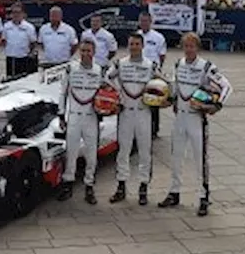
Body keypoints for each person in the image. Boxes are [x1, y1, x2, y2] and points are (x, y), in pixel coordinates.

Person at [161, 32, 232, 216]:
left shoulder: (206, 66)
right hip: (180, 119)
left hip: (196, 119)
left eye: (192, 46)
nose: (188, 49)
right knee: (176, 157)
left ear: (197, 48)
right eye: (186, 46)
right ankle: (174, 192)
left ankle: (203, 197)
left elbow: (226, 86)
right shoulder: (178, 64)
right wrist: (169, 99)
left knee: (200, 159)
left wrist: (217, 105)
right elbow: (175, 89)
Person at [108, 32, 156, 206]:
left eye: (137, 44)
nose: (134, 47)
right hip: (126, 112)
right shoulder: (120, 63)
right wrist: (118, 94)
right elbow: (107, 78)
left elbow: (162, 83)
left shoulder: (151, 65)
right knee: (123, 150)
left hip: (144, 112)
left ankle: (143, 187)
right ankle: (121, 186)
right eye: (131, 44)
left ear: (142, 46)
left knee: (145, 151)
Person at [57, 39, 105, 204]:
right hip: (74, 115)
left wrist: (104, 110)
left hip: (91, 117)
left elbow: (104, 93)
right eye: (83, 51)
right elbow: (62, 93)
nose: (85, 54)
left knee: (92, 154)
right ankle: (68, 183)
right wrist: (61, 114)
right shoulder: (71, 68)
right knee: (71, 152)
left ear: (94, 52)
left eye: (88, 51)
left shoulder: (99, 70)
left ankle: (89, 186)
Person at [137, 11, 167, 137]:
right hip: (138, 72)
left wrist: (157, 70)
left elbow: (162, 55)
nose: (143, 23)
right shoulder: (136, 35)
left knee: (154, 101)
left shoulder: (158, 37)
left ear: (150, 22)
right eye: (141, 21)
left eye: (146, 21)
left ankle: (154, 130)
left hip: (152, 73)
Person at [2, 3, 38, 77]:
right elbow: (4, 41)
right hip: (11, 58)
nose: (16, 15)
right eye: (14, 12)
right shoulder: (6, 26)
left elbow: (33, 43)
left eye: (18, 12)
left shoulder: (29, 27)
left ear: (23, 14)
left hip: (24, 58)